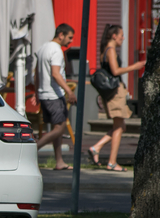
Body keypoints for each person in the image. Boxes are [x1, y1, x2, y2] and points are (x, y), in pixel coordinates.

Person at [87, 24, 146, 172]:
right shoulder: (111, 50)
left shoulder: (104, 49)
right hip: (115, 92)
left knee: (120, 126)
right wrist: (136, 66)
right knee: (119, 126)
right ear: (114, 36)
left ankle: (97, 147)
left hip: (111, 92)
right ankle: (112, 162)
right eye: (121, 35)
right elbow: (115, 70)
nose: (123, 38)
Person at [31, 24, 78, 170]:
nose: (70, 41)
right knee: (60, 128)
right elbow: (56, 74)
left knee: (56, 128)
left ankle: (59, 161)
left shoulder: (43, 48)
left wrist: (37, 92)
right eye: (69, 37)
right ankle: (33, 148)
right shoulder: (56, 51)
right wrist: (69, 92)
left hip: (44, 94)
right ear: (61, 35)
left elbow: (37, 72)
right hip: (54, 95)